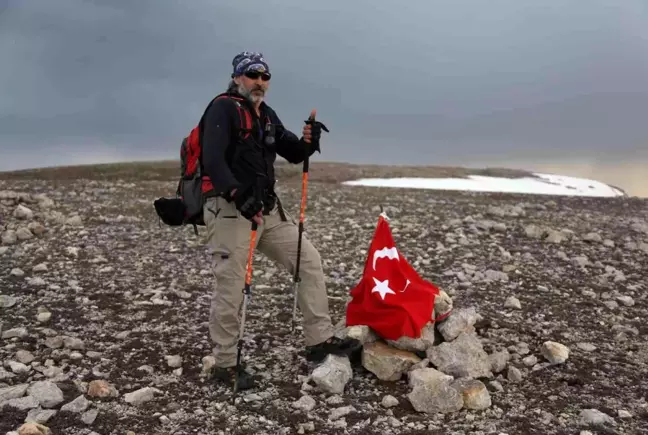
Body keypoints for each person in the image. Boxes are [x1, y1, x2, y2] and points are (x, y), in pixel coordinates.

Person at [199, 51, 361, 390]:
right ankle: (225, 365)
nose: (259, 82)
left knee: (308, 261)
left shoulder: (266, 115)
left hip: (267, 212)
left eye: (264, 76)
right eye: (252, 75)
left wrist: (310, 139)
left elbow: (294, 152)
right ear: (238, 77)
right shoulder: (222, 108)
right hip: (232, 213)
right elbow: (211, 159)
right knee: (232, 287)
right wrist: (236, 195)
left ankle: (319, 340)